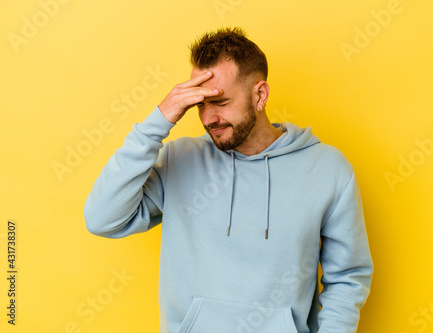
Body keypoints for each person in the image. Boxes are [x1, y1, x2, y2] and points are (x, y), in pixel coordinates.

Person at [84, 27, 373, 333]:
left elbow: (348, 278)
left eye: (220, 103)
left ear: (259, 94)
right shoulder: (179, 160)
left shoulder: (327, 169)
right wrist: (158, 121)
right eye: (200, 104)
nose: (209, 118)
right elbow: (103, 219)